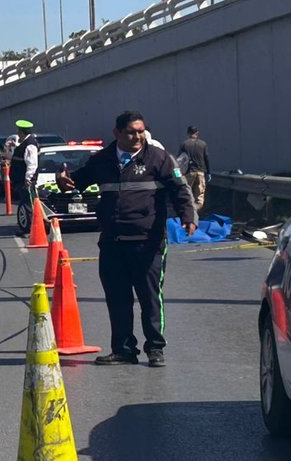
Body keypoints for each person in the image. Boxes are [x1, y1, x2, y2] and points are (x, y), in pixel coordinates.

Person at [58, 110, 196, 368]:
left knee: (150, 296)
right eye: (131, 132)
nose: (137, 136)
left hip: (148, 240)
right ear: (117, 133)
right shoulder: (103, 160)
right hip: (112, 241)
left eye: (141, 131)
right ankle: (123, 349)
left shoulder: (158, 158)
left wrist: (188, 215)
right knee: (117, 297)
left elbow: (180, 189)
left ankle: (155, 348)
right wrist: (63, 179)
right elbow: (77, 181)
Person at [178, 126, 211, 210]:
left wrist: (177, 174)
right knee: (199, 197)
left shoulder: (184, 144)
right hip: (200, 172)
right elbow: (206, 158)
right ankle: (196, 211)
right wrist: (208, 172)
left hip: (188, 172)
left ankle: (188, 211)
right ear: (197, 133)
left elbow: (179, 160)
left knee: (186, 193)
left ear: (188, 133)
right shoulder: (203, 144)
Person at [8, 120, 40, 204]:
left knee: (28, 203)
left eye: (18, 131)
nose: (17, 133)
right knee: (24, 202)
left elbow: (32, 163)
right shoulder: (26, 143)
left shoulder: (30, 144)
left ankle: (30, 217)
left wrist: (28, 178)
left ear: (22, 132)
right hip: (20, 179)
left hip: (24, 180)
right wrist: (15, 145)